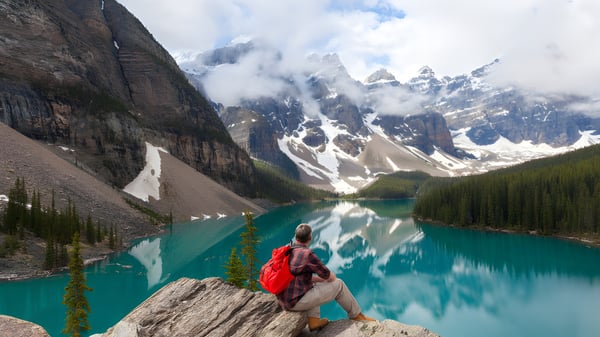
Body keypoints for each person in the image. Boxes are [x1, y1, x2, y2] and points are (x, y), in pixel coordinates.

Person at [276, 223, 376, 331]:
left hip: (283, 299)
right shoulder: (306, 254)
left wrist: (319, 280)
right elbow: (329, 276)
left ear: (296, 237)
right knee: (339, 284)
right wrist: (328, 278)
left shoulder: (289, 251)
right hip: (295, 302)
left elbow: (298, 277)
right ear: (310, 238)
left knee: (313, 284)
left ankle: (314, 321)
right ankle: (356, 315)